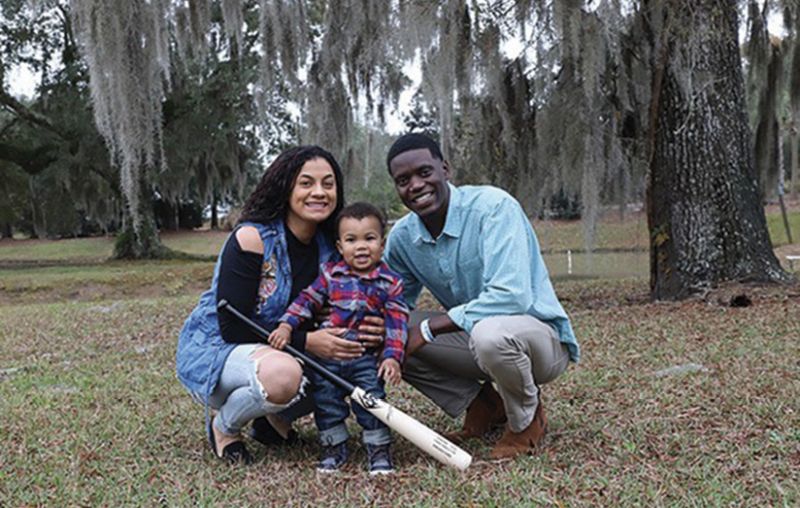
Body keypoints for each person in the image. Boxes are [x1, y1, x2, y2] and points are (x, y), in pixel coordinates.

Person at [175, 146, 384, 465]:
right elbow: (233, 325)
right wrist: (308, 341)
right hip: (222, 352)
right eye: (306, 183)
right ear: (285, 186)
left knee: (362, 350)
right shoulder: (252, 238)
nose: (319, 192)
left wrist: (374, 329)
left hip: (282, 351)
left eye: (328, 184)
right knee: (283, 375)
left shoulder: (333, 247)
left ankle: (273, 422)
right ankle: (225, 427)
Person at [383, 133, 581, 459]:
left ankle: (526, 420)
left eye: (424, 172)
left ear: (445, 169)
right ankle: (486, 406)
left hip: (538, 342)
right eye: (403, 180)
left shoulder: (493, 208)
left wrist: (429, 330)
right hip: (475, 341)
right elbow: (392, 302)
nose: (415, 185)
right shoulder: (403, 238)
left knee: (491, 333)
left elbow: (511, 296)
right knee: (389, 330)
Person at [269, 202, 408, 475]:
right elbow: (307, 300)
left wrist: (392, 356)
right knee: (327, 404)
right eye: (351, 240)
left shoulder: (391, 283)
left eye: (369, 238)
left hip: (365, 358)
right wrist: (287, 325)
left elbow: (397, 323)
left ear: (382, 243)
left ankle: (378, 451)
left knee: (372, 404)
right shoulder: (330, 275)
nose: (361, 247)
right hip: (328, 358)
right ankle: (334, 448)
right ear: (340, 246)